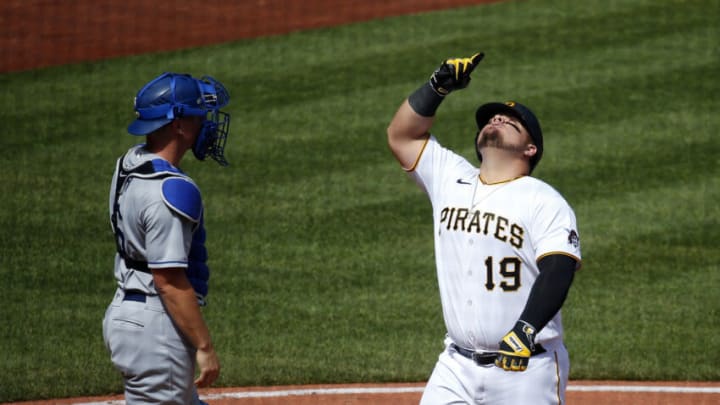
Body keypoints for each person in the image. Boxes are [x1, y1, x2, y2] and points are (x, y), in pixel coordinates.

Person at [387, 52, 582, 404]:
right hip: (455, 367)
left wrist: (526, 329)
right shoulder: (450, 176)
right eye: (492, 117)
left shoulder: (542, 199)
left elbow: (559, 266)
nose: (497, 119)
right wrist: (437, 86)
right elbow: (402, 135)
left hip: (526, 370)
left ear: (530, 147)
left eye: (511, 121)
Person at [103, 72, 232, 404]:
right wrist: (204, 346)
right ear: (178, 125)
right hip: (157, 330)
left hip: (130, 315)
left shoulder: (130, 163)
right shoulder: (171, 191)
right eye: (199, 115)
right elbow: (169, 280)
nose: (207, 123)